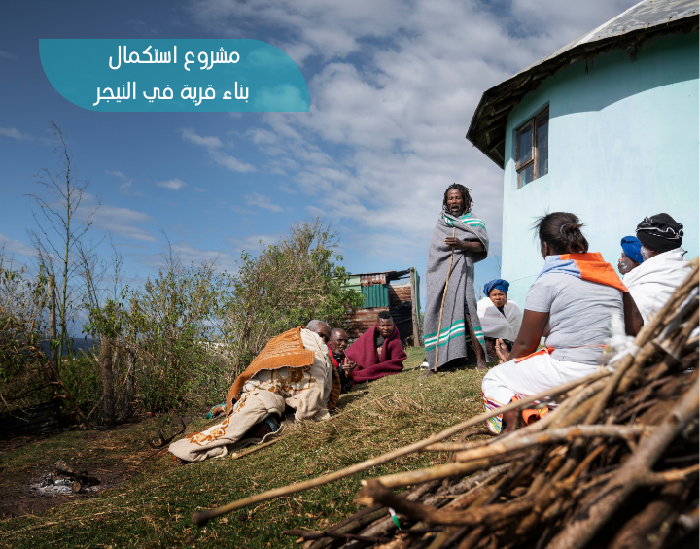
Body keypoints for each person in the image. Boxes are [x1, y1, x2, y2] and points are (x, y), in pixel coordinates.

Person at [482, 212, 642, 434]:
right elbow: (636, 327)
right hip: (616, 374)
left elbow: (526, 344)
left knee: (495, 377)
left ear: (545, 247)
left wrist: (510, 363)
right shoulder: (609, 276)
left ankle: (518, 425)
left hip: (571, 376)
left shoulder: (548, 281)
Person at [169, 320, 339, 463]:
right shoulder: (292, 343)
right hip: (259, 397)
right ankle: (195, 447)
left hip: (281, 406)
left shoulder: (312, 351)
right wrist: (310, 416)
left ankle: (207, 447)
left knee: (265, 426)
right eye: (320, 335)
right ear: (307, 331)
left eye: (325, 337)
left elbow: (311, 390)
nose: (321, 340)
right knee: (248, 421)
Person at [422, 183, 489, 378]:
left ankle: (480, 360)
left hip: (461, 272)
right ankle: (433, 366)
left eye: (457, 197)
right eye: (450, 198)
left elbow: (482, 245)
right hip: (439, 275)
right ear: (445, 201)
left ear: (465, 199)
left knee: (468, 311)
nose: (454, 201)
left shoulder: (473, 222)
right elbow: (434, 252)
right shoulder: (442, 222)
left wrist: (462, 244)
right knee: (436, 313)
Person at [622, 214, 691, 325]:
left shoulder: (638, 284)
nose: (641, 251)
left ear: (651, 248)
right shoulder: (690, 272)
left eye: (643, 245)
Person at [345, 311, 406, 383]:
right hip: (361, 365)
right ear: (377, 325)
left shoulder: (395, 341)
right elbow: (357, 348)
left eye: (389, 325)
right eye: (382, 325)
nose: (386, 328)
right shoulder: (370, 334)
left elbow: (396, 364)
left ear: (393, 325)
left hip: (378, 368)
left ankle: (356, 374)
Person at [476, 278, 522, 359]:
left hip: (511, 346)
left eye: (501, 294)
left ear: (506, 295)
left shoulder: (512, 306)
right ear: (489, 296)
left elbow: (519, 328)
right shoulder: (482, 306)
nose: (497, 297)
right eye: (494, 295)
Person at [328, 328, 357, 393]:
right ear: (330, 341)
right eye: (339, 340)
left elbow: (342, 384)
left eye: (345, 341)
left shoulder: (343, 358)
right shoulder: (323, 355)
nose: (343, 344)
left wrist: (347, 374)